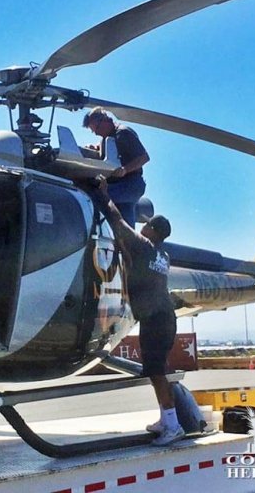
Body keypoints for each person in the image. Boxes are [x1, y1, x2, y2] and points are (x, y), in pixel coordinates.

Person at [93, 181, 183, 446]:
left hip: (157, 320)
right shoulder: (163, 255)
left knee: (156, 372)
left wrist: (103, 194)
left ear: (152, 230)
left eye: (147, 225)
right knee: (157, 370)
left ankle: (173, 425)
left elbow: (119, 224)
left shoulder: (144, 245)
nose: (142, 226)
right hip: (162, 318)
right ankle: (167, 420)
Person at [83, 107, 149, 227]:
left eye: (96, 129)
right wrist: (95, 147)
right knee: (124, 227)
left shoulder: (123, 132)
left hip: (130, 184)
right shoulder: (107, 137)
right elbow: (113, 148)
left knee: (94, 197)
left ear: (104, 120)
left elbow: (144, 157)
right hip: (123, 185)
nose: (96, 133)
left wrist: (125, 170)